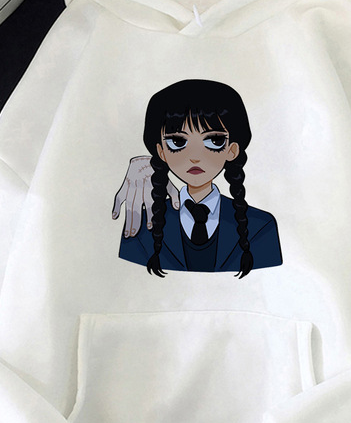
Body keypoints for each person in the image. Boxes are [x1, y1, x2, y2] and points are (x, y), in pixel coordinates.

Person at [115, 79, 282, 277]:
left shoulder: (260, 226)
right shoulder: (141, 224)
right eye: (177, 141)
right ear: (161, 152)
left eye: (214, 140)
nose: (195, 156)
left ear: (232, 150)